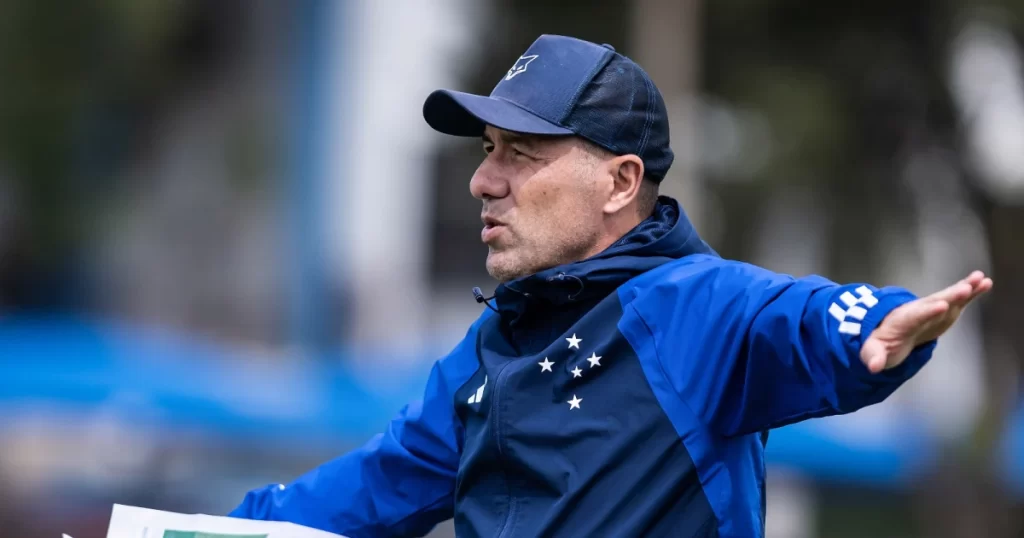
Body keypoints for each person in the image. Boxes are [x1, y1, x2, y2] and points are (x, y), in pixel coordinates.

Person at [228, 34, 993, 538]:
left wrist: (876, 323)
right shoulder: (490, 348)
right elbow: (358, 496)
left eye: (521, 152)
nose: (483, 180)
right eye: (488, 148)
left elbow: (803, 317)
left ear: (621, 182)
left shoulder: (691, 307)